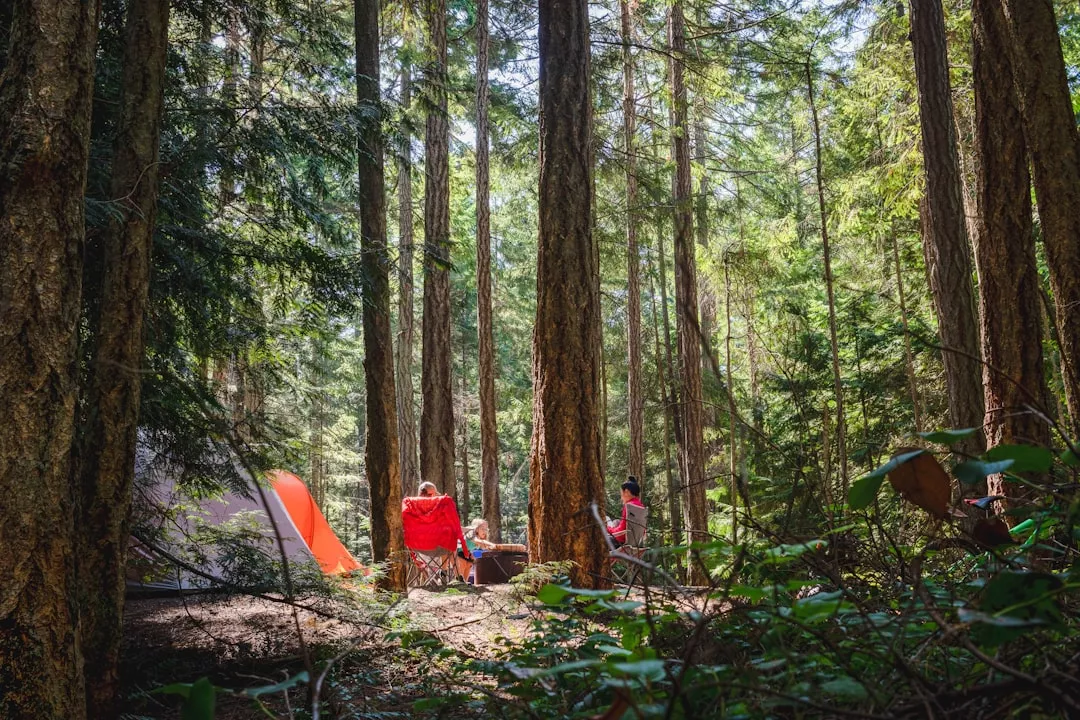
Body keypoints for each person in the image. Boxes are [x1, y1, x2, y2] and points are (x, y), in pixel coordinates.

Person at [607, 477, 644, 548]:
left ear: (626, 492)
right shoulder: (641, 506)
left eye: (621, 494)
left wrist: (608, 528)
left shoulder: (629, 506)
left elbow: (621, 534)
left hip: (622, 542)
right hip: (637, 542)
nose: (621, 498)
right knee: (616, 521)